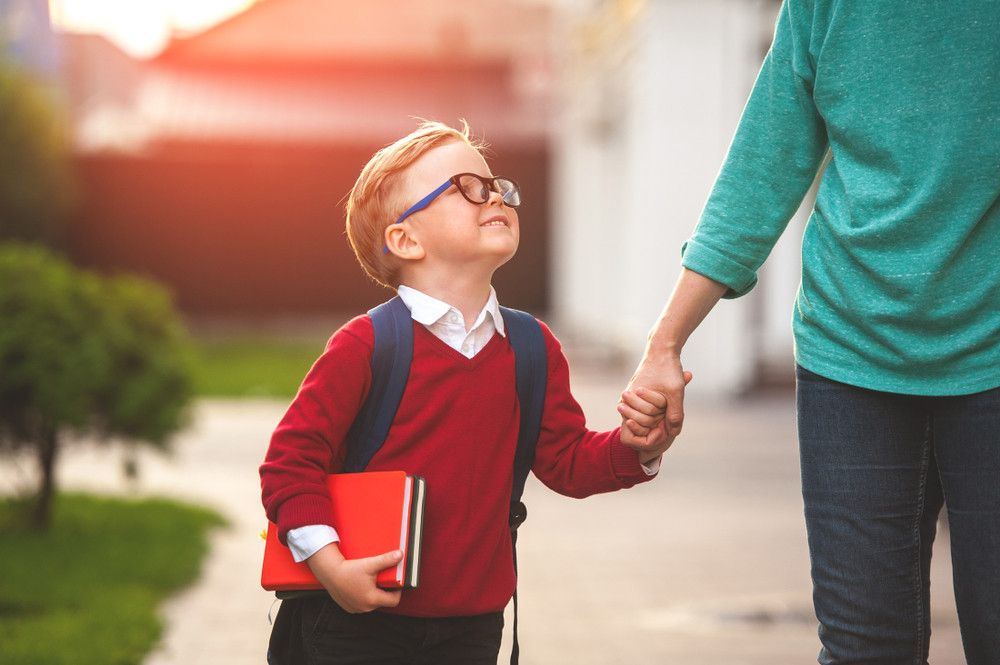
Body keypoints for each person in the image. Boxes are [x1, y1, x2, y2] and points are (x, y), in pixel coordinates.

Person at [621, 2, 1000, 663]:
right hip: (848, 354)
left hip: (991, 351)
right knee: (862, 647)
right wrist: (665, 344)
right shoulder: (822, 7)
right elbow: (760, 173)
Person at [260, 120, 673, 665]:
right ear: (406, 239)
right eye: (466, 188)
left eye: (495, 184)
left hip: (472, 631)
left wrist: (637, 447)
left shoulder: (530, 346)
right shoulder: (366, 345)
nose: (494, 194)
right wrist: (331, 567)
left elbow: (567, 461)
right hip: (353, 623)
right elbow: (289, 466)